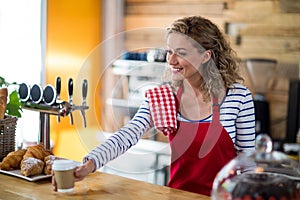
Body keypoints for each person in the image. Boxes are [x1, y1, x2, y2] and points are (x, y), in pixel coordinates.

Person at [52, 16, 256, 196]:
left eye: (181, 53)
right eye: (169, 51)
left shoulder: (238, 97)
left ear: (206, 56)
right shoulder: (164, 97)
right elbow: (128, 134)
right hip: (177, 195)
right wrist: (89, 164)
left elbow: (247, 162)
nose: (172, 60)